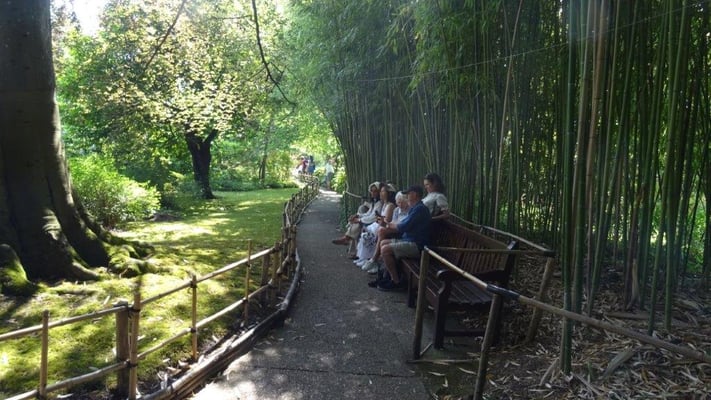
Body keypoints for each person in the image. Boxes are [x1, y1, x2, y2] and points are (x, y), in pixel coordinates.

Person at [372, 185, 431, 291]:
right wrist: (387, 224)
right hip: (409, 240)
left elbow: (403, 226)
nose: (407, 196)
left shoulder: (420, 209)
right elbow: (402, 225)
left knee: (385, 249)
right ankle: (387, 277)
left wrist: (386, 224)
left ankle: (396, 282)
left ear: (414, 195)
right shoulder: (416, 208)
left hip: (417, 245)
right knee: (383, 243)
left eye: (408, 194)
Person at [360, 190, 409, 273]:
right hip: (395, 230)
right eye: (398, 202)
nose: (400, 205)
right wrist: (385, 223)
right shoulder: (397, 210)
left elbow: (403, 226)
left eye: (402, 203)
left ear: (407, 202)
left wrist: (387, 224)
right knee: (381, 232)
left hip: (403, 233)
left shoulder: (409, 211)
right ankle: (374, 262)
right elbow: (392, 222)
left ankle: (374, 260)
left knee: (381, 231)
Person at [354, 183, 397, 267]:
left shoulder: (390, 205)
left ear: (388, 193)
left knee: (369, 233)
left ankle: (371, 259)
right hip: (379, 225)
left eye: (382, 191)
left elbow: (387, 221)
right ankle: (364, 257)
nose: (380, 193)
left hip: (383, 227)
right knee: (365, 232)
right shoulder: (385, 204)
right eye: (380, 191)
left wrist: (380, 219)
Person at [331, 182, 382, 253]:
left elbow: (373, 217)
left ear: (379, 192)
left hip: (376, 223)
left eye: (375, 191)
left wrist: (359, 220)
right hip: (371, 221)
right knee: (356, 222)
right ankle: (350, 244)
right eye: (371, 191)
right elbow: (368, 213)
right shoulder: (375, 202)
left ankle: (347, 239)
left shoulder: (379, 203)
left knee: (358, 224)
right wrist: (357, 216)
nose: (373, 193)